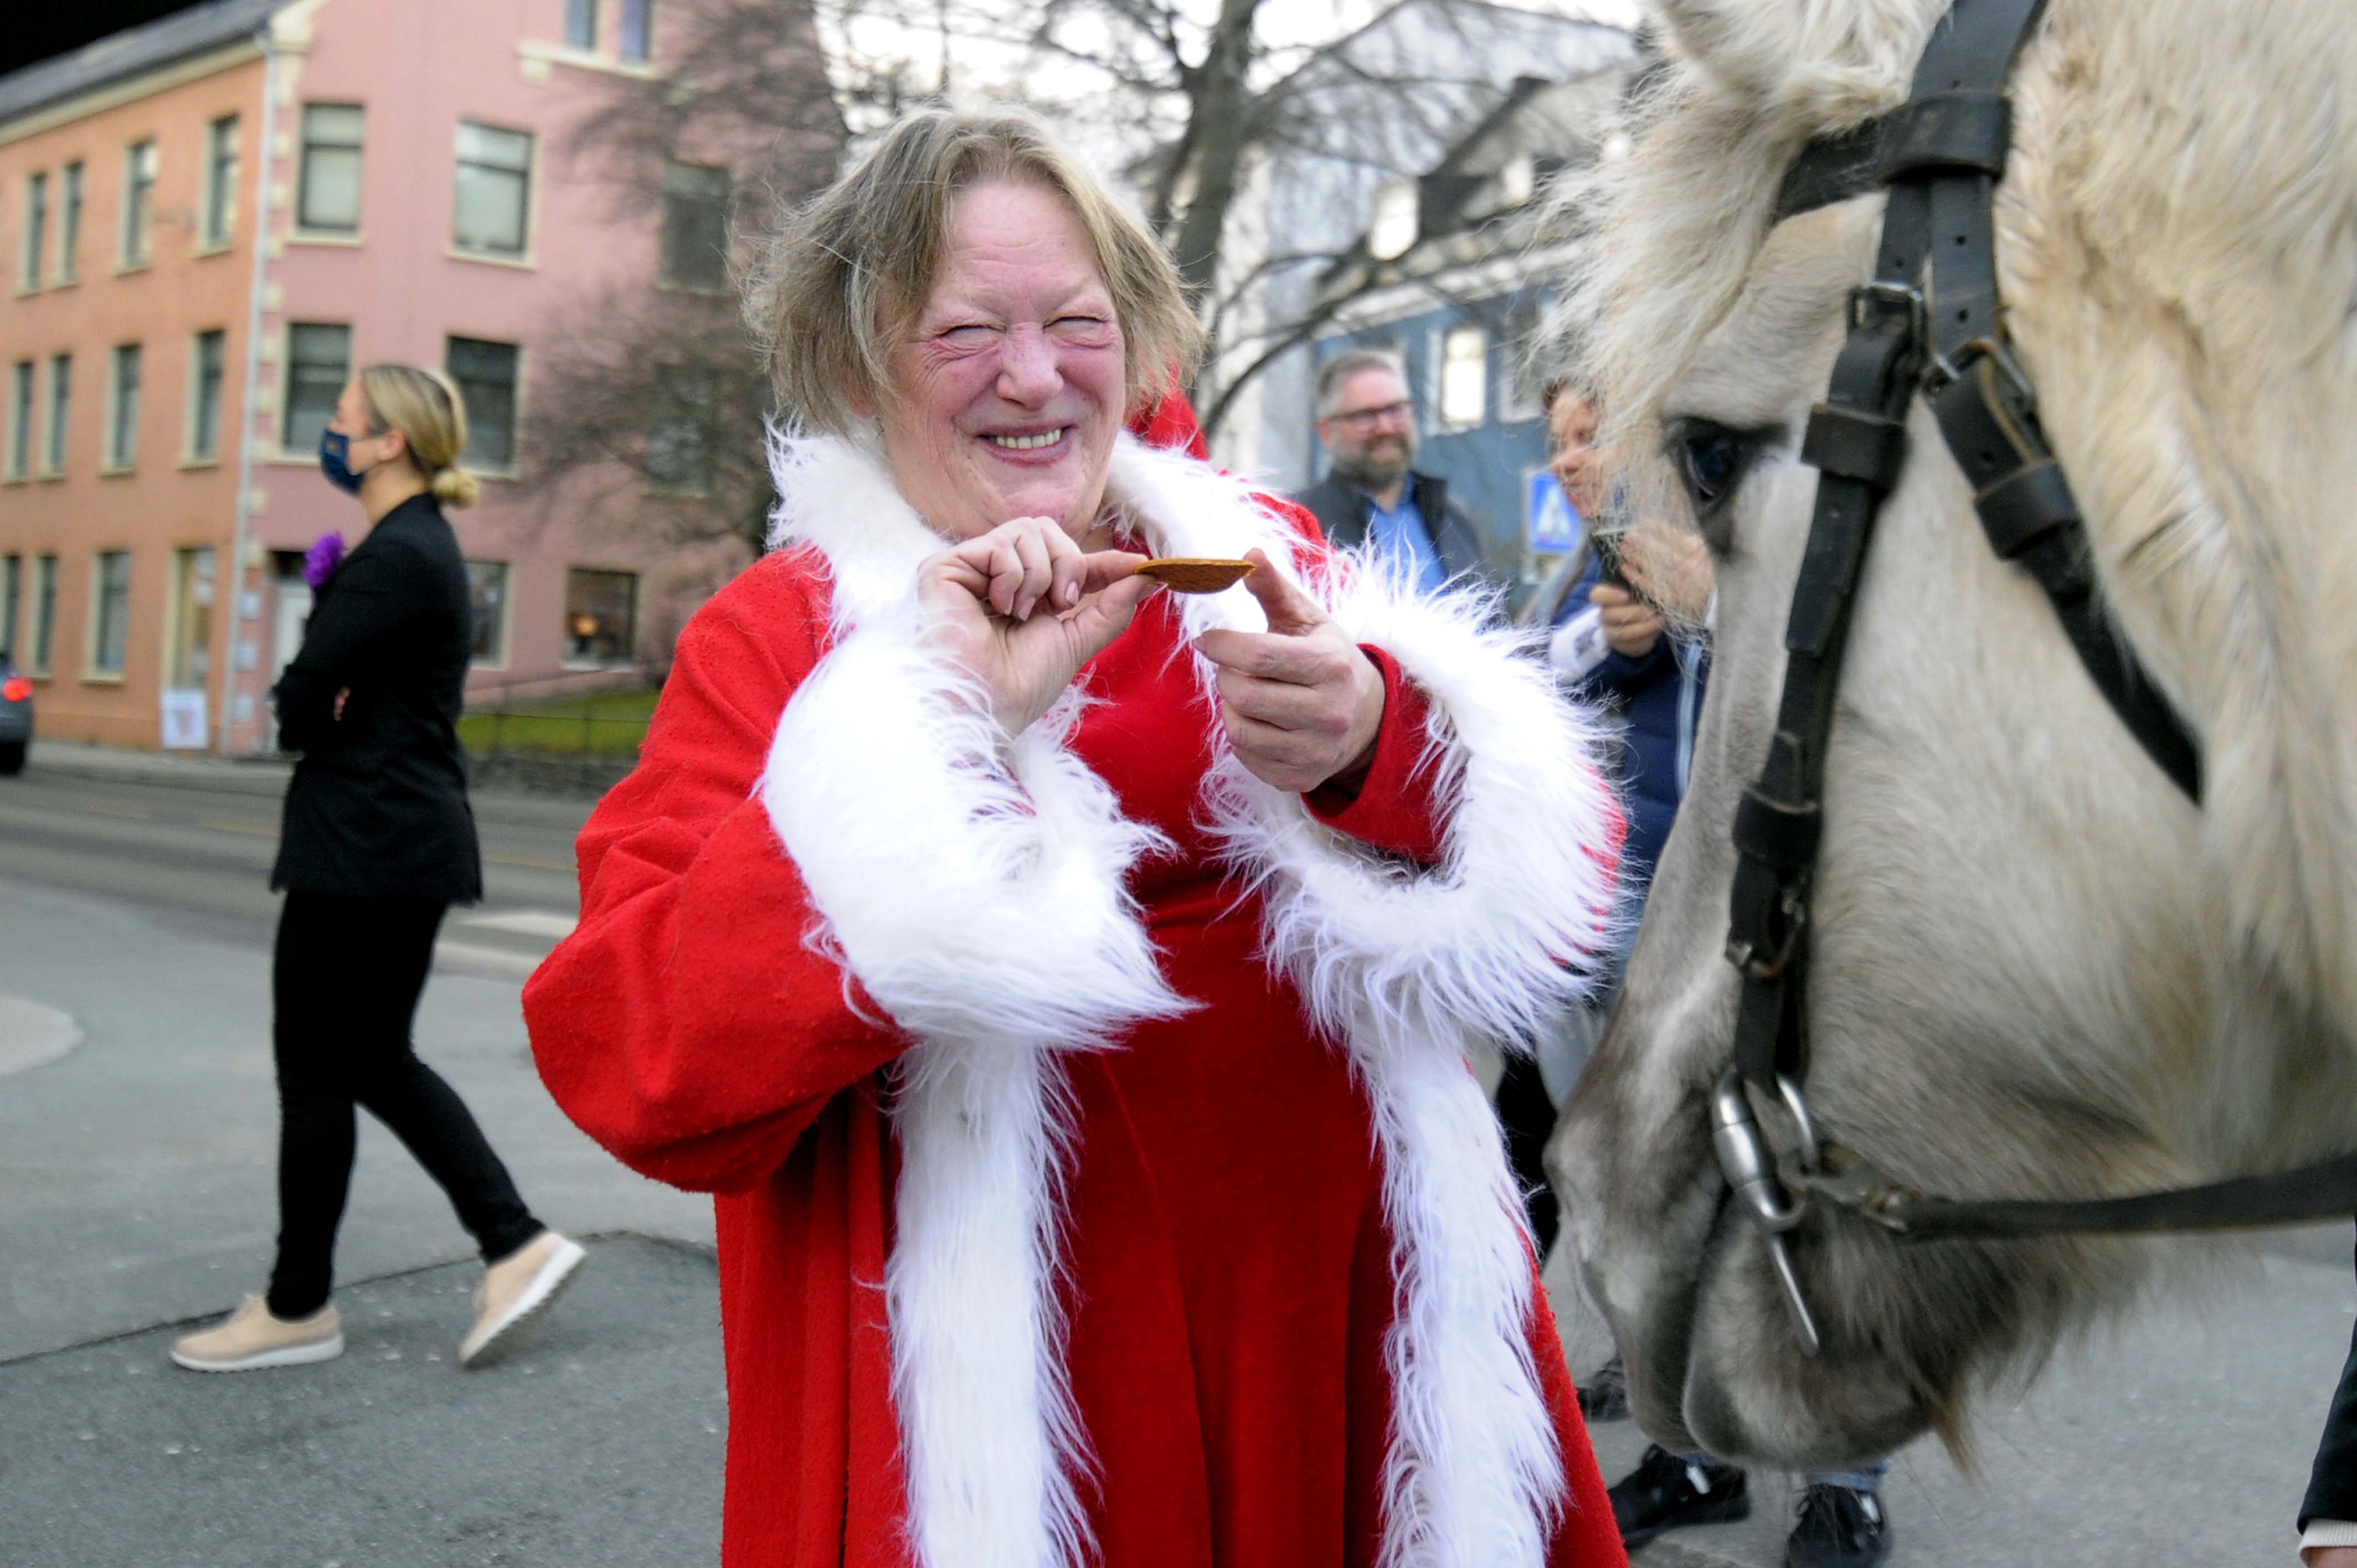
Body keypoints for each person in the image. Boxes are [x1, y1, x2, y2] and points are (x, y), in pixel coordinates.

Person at [523, 110, 1630, 1568]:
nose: (1036, 376)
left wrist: (1378, 745)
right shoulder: (780, 639)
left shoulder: (1268, 562)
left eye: (1077, 321)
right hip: (1026, 1435)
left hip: (1347, 1348)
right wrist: (928, 729)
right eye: (968, 330)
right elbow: (634, 1058)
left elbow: (1561, 883)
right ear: (859, 364)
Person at [1533, 384, 1892, 1568]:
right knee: (1661, 1194)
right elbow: (1530, 668)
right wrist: (1616, 634)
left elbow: (1867, 651)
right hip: (1644, 911)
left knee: (1807, 1188)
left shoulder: (1782, 499)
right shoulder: (1595, 548)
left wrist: (1713, 605)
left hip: (1793, 904)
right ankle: (1693, 1454)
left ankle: (1843, 1483)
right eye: (1565, 442)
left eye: (1599, 435)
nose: (1580, 461)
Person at [172, 364, 584, 1375]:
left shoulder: (396, 556)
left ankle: (374, 1281)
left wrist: (317, 703)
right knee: (352, 1061)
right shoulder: (412, 550)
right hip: (388, 838)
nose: (332, 432)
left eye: (343, 420)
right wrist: (330, 698)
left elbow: (302, 700)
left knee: (331, 1067)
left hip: (367, 841)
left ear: (389, 441)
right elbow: (329, 693)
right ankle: (409, 1267)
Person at [1293, 348, 1491, 594]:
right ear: (1326, 433)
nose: (1385, 428)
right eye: (1366, 416)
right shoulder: (1299, 526)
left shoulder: (1453, 518)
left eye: (1395, 410)